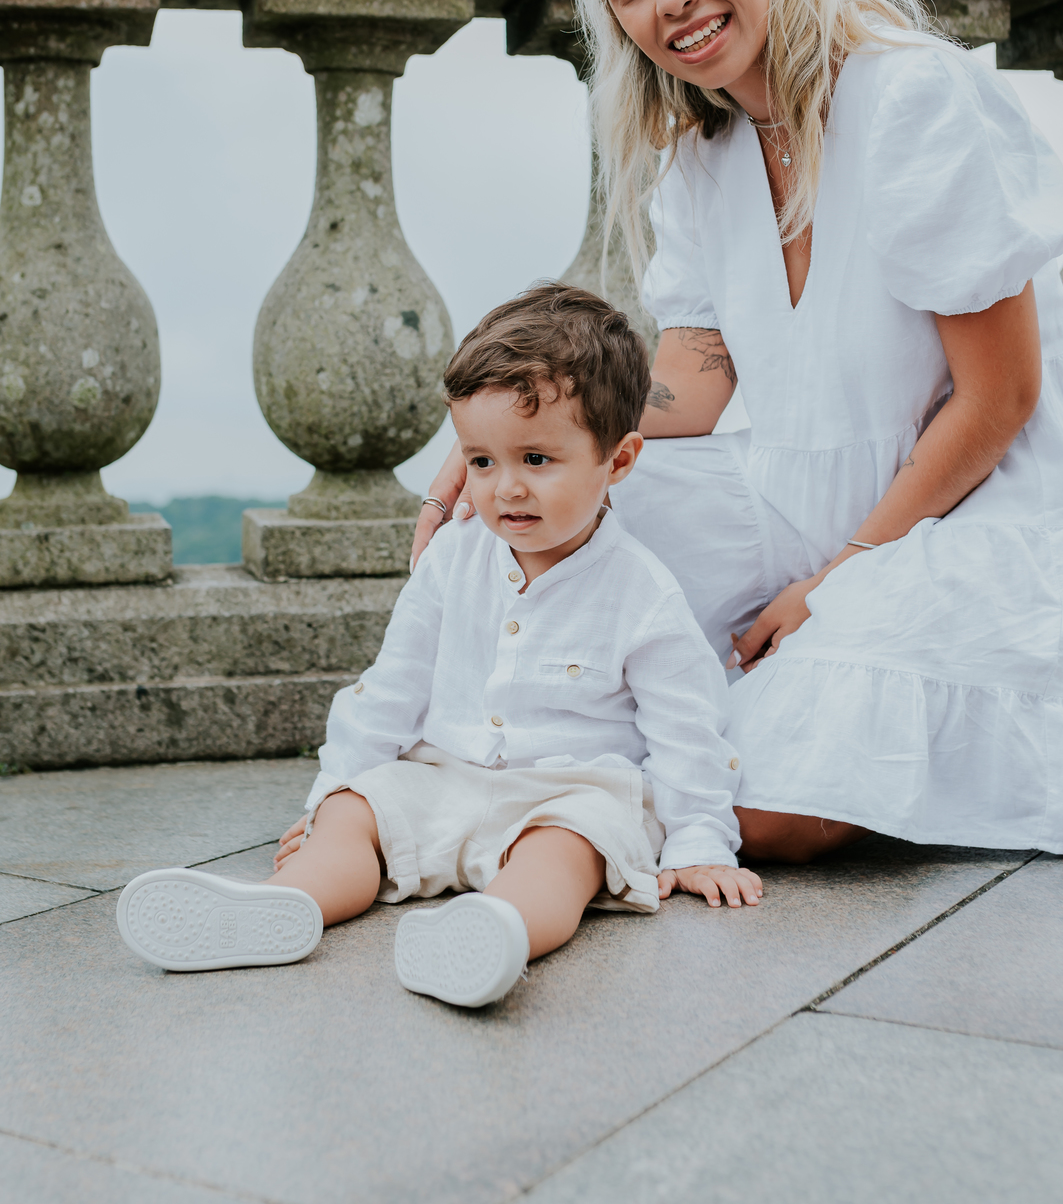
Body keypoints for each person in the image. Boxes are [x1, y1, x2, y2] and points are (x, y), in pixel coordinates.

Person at [414, 0, 1063, 866]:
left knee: (774, 803)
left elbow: (1000, 401)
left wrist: (836, 583)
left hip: (979, 516)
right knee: (517, 513)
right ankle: (515, 774)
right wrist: (517, 440)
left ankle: (546, 807)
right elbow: (692, 384)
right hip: (793, 496)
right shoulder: (702, 154)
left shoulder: (912, 96)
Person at [116, 284, 760, 1006]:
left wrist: (701, 844)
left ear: (619, 460)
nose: (504, 489)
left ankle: (497, 931)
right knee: (357, 815)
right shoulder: (454, 559)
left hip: (566, 793)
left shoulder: (642, 591)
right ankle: (281, 904)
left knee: (571, 852)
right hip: (443, 775)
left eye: (537, 460)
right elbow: (392, 687)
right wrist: (333, 794)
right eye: (481, 462)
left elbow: (686, 729)